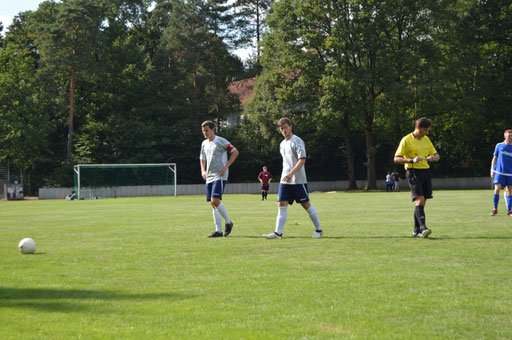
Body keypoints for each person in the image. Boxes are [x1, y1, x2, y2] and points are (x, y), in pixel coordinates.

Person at [263, 117, 323, 239]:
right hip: (285, 181)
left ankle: (319, 229)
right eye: (281, 129)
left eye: (285, 127)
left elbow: (302, 160)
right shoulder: (282, 144)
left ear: (290, 127)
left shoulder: (297, 141)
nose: (284, 130)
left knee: (305, 204)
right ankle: (278, 233)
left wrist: (291, 174)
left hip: (298, 180)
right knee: (281, 203)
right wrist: (287, 175)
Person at [394, 117, 440, 238]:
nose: (426, 132)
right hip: (413, 172)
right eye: (425, 130)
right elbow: (396, 158)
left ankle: (416, 230)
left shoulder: (426, 139)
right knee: (419, 199)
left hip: (426, 171)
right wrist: (411, 160)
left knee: (422, 202)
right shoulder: (406, 140)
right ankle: (423, 228)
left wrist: (433, 158)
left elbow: (436, 155)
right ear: (418, 127)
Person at [200, 120, 239, 237]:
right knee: (213, 204)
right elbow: (202, 157)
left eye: (207, 130)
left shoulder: (221, 141)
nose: (205, 133)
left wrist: (226, 167)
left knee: (215, 200)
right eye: (203, 131)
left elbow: (235, 152)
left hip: (220, 175)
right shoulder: (204, 143)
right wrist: (203, 170)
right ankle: (218, 231)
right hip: (209, 176)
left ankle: (228, 222)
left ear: (213, 130)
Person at [490, 129, 512, 216]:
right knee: (497, 189)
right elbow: (494, 158)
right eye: (509, 135)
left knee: (509, 192)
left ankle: (509, 211)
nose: (511, 137)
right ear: (505, 136)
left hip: (510, 173)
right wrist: (492, 169)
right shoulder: (499, 145)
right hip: (499, 172)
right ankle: (495, 209)